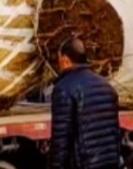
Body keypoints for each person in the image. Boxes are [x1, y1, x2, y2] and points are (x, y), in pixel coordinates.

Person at [48, 36, 122, 169]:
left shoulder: (64, 89)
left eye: (59, 57)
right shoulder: (107, 87)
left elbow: (61, 140)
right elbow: (115, 132)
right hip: (109, 162)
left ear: (65, 59)